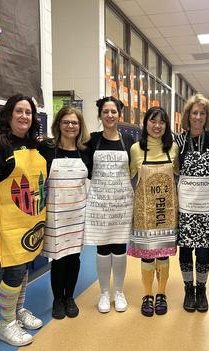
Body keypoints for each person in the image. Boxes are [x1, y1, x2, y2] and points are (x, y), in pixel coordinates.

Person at [0, 94, 47, 346]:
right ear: (9, 114)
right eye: (19, 111)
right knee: (13, 271)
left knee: (25, 265)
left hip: (32, 219)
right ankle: (5, 323)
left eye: (28, 112)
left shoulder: (34, 145)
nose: (24, 116)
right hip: (9, 221)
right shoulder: (0, 145)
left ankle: (18, 311)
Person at [38, 106, 90, 320]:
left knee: (74, 258)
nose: (70, 126)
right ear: (58, 124)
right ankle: (57, 299)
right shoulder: (46, 148)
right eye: (66, 122)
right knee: (58, 259)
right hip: (55, 215)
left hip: (78, 214)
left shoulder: (85, 151)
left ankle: (70, 297)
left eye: (74, 123)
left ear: (80, 126)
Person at [84, 96, 134, 313]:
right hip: (99, 204)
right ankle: (104, 293)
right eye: (106, 112)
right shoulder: (91, 141)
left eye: (114, 111)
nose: (110, 115)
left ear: (119, 115)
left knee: (120, 248)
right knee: (103, 248)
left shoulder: (129, 142)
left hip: (122, 204)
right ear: (100, 115)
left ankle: (119, 292)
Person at [128, 107, 179, 317]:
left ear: (166, 126)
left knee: (164, 254)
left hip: (166, 211)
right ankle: (147, 295)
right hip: (144, 212)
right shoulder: (135, 149)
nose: (157, 126)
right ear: (146, 123)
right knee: (148, 257)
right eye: (153, 121)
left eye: (161, 122)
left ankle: (162, 294)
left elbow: (178, 176)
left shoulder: (173, 148)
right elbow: (130, 177)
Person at [175, 94, 209, 312]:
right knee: (185, 250)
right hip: (185, 207)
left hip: (207, 208)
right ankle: (187, 289)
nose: (198, 117)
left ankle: (201, 289)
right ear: (188, 115)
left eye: (202, 113)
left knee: (202, 251)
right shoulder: (178, 141)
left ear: (207, 116)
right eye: (195, 113)